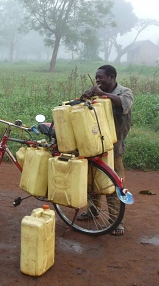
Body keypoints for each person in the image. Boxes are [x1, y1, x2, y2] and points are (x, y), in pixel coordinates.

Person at [81, 64, 134, 236]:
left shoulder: (125, 92)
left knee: (115, 184)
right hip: (95, 146)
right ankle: (92, 211)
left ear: (112, 77)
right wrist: (85, 97)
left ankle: (116, 221)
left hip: (114, 147)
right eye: (96, 77)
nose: (98, 80)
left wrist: (101, 94)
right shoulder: (96, 91)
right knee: (93, 182)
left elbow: (123, 104)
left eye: (101, 77)